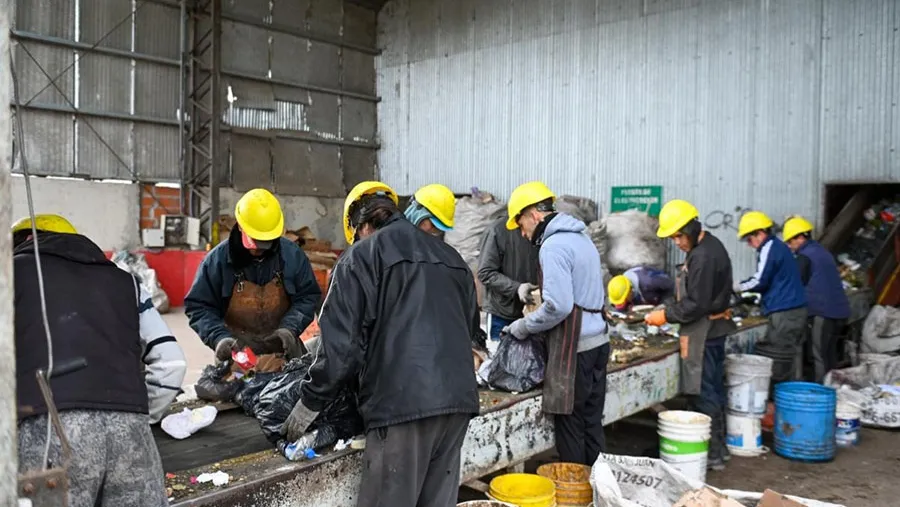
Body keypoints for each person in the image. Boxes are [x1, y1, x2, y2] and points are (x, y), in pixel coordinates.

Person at [285, 181, 480, 507]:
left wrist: (310, 402)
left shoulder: (359, 259)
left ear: (359, 226)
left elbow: (341, 352)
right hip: (458, 404)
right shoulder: (454, 260)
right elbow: (470, 331)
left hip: (402, 410)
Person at [13, 214, 185, 506]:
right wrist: (140, 416)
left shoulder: (9, 274)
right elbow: (172, 364)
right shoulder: (125, 282)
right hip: (131, 432)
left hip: (48, 433)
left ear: (23, 240)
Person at [501, 181, 609, 466]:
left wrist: (522, 327)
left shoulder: (552, 246)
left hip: (577, 350)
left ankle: (574, 495)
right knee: (592, 424)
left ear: (534, 214)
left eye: (520, 223)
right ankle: (599, 492)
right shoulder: (581, 238)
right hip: (599, 343)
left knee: (571, 428)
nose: (522, 233)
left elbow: (559, 306)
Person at [645, 199, 735, 470]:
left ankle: (712, 454)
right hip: (711, 330)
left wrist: (665, 315)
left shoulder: (704, 256)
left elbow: (697, 304)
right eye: (673, 237)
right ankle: (719, 449)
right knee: (714, 390)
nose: (677, 242)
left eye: (678, 236)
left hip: (705, 333)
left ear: (693, 228)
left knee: (704, 392)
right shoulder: (707, 247)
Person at [185, 188, 321, 363]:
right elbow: (199, 306)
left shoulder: (292, 256)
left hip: (284, 352)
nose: (258, 248)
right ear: (240, 226)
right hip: (237, 356)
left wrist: (289, 328)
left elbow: (308, 297)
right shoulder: (217, 261)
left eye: (265, 242)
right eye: (254, 241)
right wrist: (219, 338)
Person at [735, 211, 808, 391]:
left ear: (760, 233)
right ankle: (787, 396)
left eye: (749, 239)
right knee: (788, 357)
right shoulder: (779, 248)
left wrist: (736, 286)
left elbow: (760, 280)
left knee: (778, 358)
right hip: (793, 309)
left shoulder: (770, 247)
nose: (750, 245)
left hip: (785, 311)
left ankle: (775, 401)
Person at [783, 216, 850, 383]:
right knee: (829, 354)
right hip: (839, 312)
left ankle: (821, 392)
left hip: (822, 312)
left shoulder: (805, 256)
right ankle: (834, 389)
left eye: (790, 242)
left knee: (817, 355)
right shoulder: (822, 251)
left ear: (800, 238)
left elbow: (795, 285)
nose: (790, 247)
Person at [476, 214, 540, 341]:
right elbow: (485, 272)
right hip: (501, 313)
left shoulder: (540, 230)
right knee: (499, 356)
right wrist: (517, 288)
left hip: (531, 312)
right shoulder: (497, 230)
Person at [607, 266, 675, 311]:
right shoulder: (621, 287)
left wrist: (664, 305)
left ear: (630, 291)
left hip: (660, 298)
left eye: (625, 300)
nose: (625, 302)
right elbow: (619, 307)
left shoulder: (649, 282)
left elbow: (672, 287)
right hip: (646, 302)